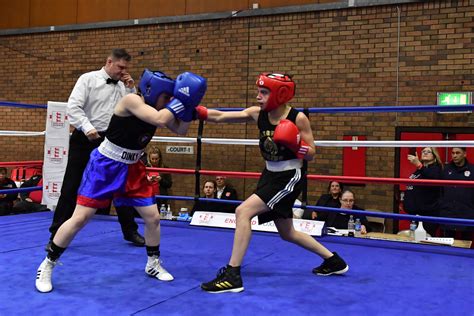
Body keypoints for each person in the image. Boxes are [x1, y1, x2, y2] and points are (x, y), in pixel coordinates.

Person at [35, 69, 207, 293]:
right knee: (80, 219)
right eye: (167, 97)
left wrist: (186, 109)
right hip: (106, 165)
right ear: (152, 91)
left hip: (133, 167)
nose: (168, 102)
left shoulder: (158, 108)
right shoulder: (131, 100)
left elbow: (181, 130)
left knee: (153, 218)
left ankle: (153, 263)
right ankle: (47, 264)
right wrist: (182, 101)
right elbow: (160, 120)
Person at [196, 73, 348, 294]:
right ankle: (334, 261)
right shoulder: (259, 114)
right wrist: (196, 112)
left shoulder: (298, 118)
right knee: (287, 233)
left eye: (263, 92)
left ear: (279, 94)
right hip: (269, 175)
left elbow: (312, 153)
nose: (258, 97)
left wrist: (296, 145)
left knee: (243, 211)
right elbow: (220, 116)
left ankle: (232, 275)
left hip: (289, 177)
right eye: (259, 91)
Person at [47, 48, 145, 246]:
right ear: (109, 62)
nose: (123, 71)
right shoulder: (88, 79)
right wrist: (88, 127)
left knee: (121, 186)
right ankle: (56, 234)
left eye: (126, 68)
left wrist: (131, 88)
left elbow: (135, 109)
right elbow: (73, 107)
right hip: (85, 138)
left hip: (112, 140)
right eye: (120, 67)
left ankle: (130, 231)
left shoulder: (125, 86)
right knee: (71, 185)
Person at [403, 147, 443, 236]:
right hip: (415, 214)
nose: (425, 153)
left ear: (435, 156)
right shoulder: (419, 170)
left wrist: (419, 165)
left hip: (428, 214)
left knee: (425, 240)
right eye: (423, 151)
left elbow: (432, 178)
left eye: (428, 152)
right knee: (414, 239)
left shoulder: (436, 169)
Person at [439, 147, 474, 240]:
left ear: (465, 154)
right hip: (447, 214)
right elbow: (440, 190)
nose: (454, 155)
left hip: (467, 214)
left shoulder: (473, 170)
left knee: (466, 245)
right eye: (453, 153)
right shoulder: (445, 170)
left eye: (457, 153)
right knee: (447, 247)